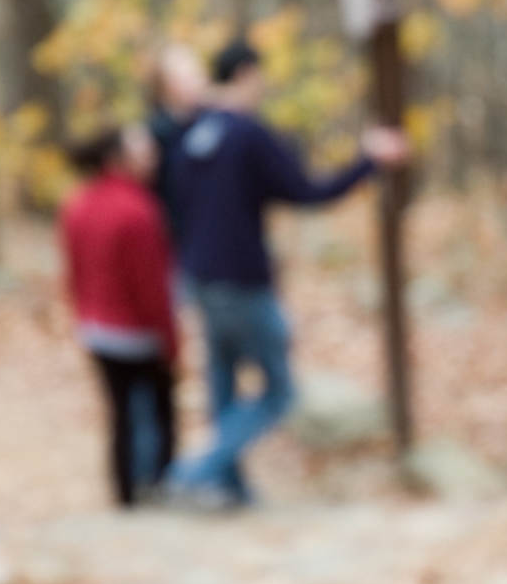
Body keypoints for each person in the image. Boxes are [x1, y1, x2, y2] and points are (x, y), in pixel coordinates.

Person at [167, 39, 408, 507]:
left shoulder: (194, 134)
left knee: (223, 387)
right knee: (278, 392)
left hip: (199, 278)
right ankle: (192, 473)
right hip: (241, 281)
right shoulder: (247, 133)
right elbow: (307, 192)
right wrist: (369, 160)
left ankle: (228, 489)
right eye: (260, 78)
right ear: (245, 76)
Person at [59, 125, 178, 507]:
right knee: (159, 410)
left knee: (121, 415)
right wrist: (171, 341)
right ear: (118, 160)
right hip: (135, 331)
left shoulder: (77, 204)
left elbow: (73, 272)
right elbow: (151, 288)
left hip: (96, 328)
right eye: (143, 151)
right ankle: (157, 482)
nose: (152, 157)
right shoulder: (138, 210)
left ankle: (125, 492)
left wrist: (80, 315)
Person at [147, 44, 210, 242]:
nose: (201, 81)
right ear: (166, 85)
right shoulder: (155, 134)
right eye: (190, 76)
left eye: (199, 74)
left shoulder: (216, 124)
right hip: (174, 241)